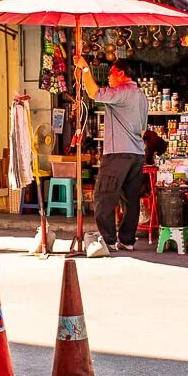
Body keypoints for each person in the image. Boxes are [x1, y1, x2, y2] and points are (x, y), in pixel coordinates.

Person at [75, 57, 148, 251]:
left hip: (118, 153)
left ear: (121, 74)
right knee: (130, 200)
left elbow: (94, 92)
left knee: (104, 196)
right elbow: (142, 129)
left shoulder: (122, 92)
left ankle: (107, 240)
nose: (108, 78)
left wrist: (85, 69)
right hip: (137, 154)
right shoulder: (141, 96)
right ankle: (127, 240)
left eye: (110, 73)